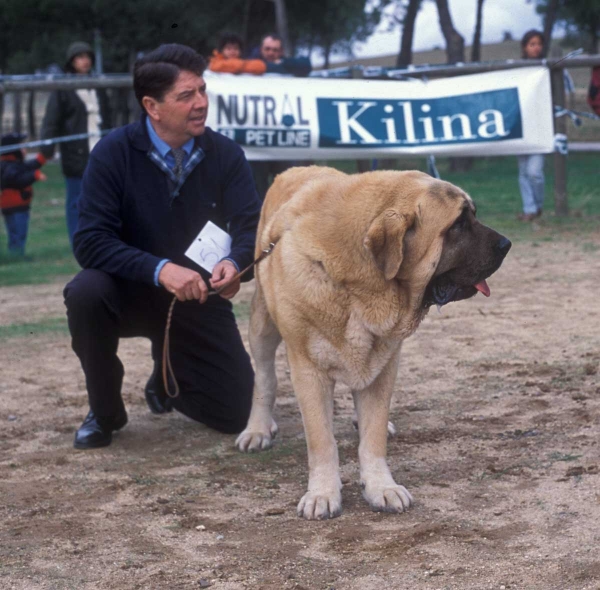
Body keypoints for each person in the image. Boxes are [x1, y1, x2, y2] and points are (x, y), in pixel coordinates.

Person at [63, 43, 262, 450]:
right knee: (85, 292)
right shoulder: (112, 154)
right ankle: (105, 411)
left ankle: (166, 376)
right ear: (152, 106)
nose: (201, 103)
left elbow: (251, 226)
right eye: (186, 96)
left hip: (195, 297)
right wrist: (159, 270)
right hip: (125, 293)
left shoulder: (225, 154)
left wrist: (235, 262)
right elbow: (90, 241)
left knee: (235, 414)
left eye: (202, 90)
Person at [40, 41, 112, 246]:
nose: (85, 60)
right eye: (80, 57)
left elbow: (106, 116)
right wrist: (47, 149)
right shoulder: (63, 88)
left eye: (87, 56)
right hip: (76, 153)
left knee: (103, 200)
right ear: (72, 61)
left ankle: (101, 240)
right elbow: (51, 119)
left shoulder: (98, 85)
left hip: (100, 148)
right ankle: (78, 242)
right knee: (76, 201)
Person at [0, 133, 47, 256]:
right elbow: (19, 180)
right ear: (14, 150)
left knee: (15, 232)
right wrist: (34, 175)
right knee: (18, 233)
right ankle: (16, 255)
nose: (25, 150)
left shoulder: (13, 164)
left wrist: (40, 160)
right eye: (22, 147)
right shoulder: (9, 167)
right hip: (16, 206)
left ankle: (15, 253)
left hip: (14, 206)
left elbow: (26, 166)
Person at [517, 30, 545, 222]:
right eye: (532, 44)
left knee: (534, 172)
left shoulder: (546, 69)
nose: (536, 47)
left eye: (538, 44)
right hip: (521, 126)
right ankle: (529, 209)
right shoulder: (518, 70)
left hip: (541, 127)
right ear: (525, 47)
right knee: (523, 171)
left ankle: (538, 205)